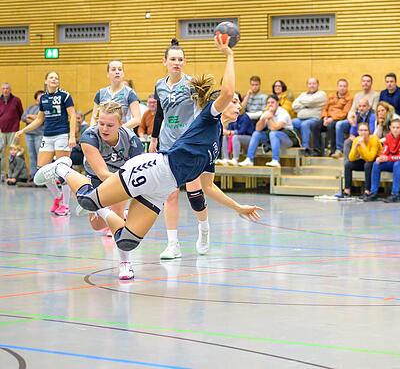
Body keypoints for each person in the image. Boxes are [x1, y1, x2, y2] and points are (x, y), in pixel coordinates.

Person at [34, 36, 262, 265]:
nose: (237, 106)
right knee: (87, 200)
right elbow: (228, 90)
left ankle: (104, 211)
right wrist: (230, 55)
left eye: (236, 102)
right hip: (155, 169)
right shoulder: (208, 119)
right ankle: (62, 168)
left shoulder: (215, 142)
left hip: (163, 188)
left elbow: (208, 186)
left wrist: (237, 207)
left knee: (126, 240)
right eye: (233, 102)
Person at [149, 38, 212, 259]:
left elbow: (203, 112)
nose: (177, 62)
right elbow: (159, 114)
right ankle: (173, 244)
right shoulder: (159, 85)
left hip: (189, 144)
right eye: (173, 59)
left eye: (180, 59)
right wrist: (154, 138)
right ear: (164, 61)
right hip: (168, 144)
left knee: (194, 193)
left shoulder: (192, 84)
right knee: (171, 194)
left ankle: (204, 228)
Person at [79, 101, 144, 280]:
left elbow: (137, 171)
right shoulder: (89, 137)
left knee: (116, 214)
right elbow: (101, 172)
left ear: (120, 124)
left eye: (110, 125)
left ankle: (125, 264)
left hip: (121, 179)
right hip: (97, 178)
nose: (104, 129)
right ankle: (62, 169)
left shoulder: (132, 140)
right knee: (97, 225)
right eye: (101, 123)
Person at [14, 71, 76, 216]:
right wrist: (23, 130)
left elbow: (72, 115)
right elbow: (39, 119)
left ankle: (66, 206)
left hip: (62, 135)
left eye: (56, 78)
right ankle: (58, 197)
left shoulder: (65, 96)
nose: (54, 79)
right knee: (42, 171)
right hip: (47, 136)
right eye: (51, 77)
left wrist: (72, 136)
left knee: (63, 171)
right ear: (46, 81)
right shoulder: (43, 99)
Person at [364, 117, 400, 203]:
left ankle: (395, 194)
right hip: (395, 161)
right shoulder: (388, 137)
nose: (395, 130)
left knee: (397, 164)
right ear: (390, 128)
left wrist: (387, 158)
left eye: (398, 128)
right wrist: (381, 157)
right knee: (376, 164)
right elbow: (385, 151)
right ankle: (373, 193)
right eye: (393, 127)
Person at [239, 95, 298, 168]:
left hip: (288, 139)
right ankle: (249, 159)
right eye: (268, 103)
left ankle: (276, 160)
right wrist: (263, 119)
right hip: (273, 139)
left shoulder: (283, 113)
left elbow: (274, 128)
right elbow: (257, 128)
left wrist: (269, 118)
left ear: (277, 103)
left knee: (273, 133)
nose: (270, 104)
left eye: (272, 102)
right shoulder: (266, 113)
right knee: (256, 134)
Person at [90, 60, 141, 131]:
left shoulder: (130, 93)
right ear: (108, 74)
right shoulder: (100, 93)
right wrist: (93, 131)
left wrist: (117, 129)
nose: (117, 72)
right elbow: (94, 117)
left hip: (122, 135)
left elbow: (137, 119)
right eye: (113, 69)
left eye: (120, 69)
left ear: (123, 73)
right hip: (103, 134)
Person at [338, 74, 379, 155]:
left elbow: (374, 111)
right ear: (361, 83)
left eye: (368, 81)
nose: (365, 83)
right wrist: (350, 119)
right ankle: (339, 150)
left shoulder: (376, 95)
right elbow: (352, 110)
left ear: (371, 83)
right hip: (357, 118)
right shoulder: (357, 95)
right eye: (363, 81)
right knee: (339, 124)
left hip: (366, 122)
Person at [339, 122, 381, 199]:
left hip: (377, 161)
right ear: (358, 132)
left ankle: (367, 191)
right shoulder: (357, 140)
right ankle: (347, 190)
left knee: (367, 164)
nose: (363, 132)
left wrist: (362, 145)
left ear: (369, 132)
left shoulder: (374, 139)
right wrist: (355, 147)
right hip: (366, 160)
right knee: (348, 164)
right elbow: (351, 158)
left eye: (365, 130)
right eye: (361, 130)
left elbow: (371, 158)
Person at [292, 77, 328, 156]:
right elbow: (294, 106)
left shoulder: (321, 94)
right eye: (310, 84)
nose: (312, 86)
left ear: (318, 84)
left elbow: (310, 101)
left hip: (314, 119)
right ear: (307, 85)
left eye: (314, 83)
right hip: (300, 119)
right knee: (292, 123)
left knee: (305, 125)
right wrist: (308, 105)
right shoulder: (303, 94)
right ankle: (297, 144)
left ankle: (306, 148)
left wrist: (303, 103)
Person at [216, 92, 254, 166]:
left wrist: (230, 132)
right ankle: (225, 158)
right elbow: (230, 128)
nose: (238, 107)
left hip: (248, 139)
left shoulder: (245, 117)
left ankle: (235, 159)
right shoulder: (232, 117)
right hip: (236, 136)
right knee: (225, 137)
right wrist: (227, 132)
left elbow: (242, 131)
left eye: (238, 103)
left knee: (235, 137)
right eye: (234, 102)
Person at [322, 78, 353, 158]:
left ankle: (332, 150)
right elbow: (325, 108)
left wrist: (332, 118)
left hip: (339, 119)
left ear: (347, 87)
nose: (342, 88)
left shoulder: (349, 98)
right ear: (337, 87)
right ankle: (316, 149)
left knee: (331, 125)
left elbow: (345, 112)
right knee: (316, 125)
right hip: (327, 117)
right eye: (340, 86)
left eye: (344, 86)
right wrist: (325, 117)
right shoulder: (331, 96)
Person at [0, 83, 24, 178]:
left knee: (13, 153)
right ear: (1, 90)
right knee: (1, 154)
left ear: (10, 90)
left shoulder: (16, 100)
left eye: (7, 88)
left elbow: (21, 114)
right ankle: (2, 174)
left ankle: (12, 175)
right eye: (3, 88)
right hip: (1, 131)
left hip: (13, 130)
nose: (5, 90)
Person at [21, 90, 44, 176]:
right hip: (29, 134)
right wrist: (36, 120)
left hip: (40, 134)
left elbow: (43, 119)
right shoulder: (31, 107)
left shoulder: (45, 108)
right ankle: (33, 175)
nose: (41, 97)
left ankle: (40, 175)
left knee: (40, 155)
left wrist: (31, 116)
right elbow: (23, 117)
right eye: (39, 95)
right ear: (36, 98)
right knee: (31, 155)